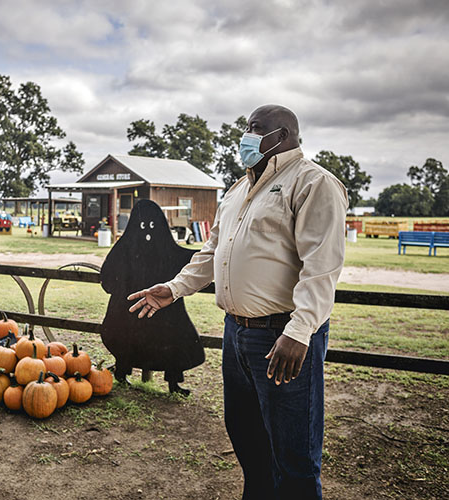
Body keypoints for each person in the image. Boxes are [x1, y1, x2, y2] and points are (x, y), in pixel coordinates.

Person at [128, 105, 348, 500]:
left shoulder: (313, 183)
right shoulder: (238, 189)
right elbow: (213, 252)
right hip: (237, 334)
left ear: (281, 136)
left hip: (283, 338)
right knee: (248, 442)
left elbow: (322, 267)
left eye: (254, 128)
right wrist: (174, 288)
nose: (245, 135)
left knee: (294, 456)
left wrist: (299, 333)